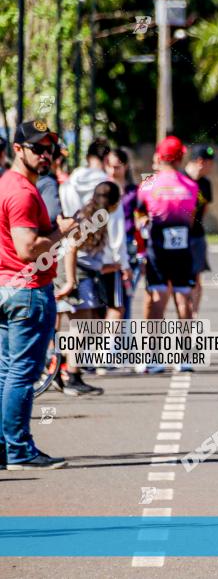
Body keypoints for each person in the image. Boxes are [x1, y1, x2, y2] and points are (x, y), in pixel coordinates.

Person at [0, 120, 79, 470]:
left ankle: (6, 447)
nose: (46, 155)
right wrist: (60, 232)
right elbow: (29, 247)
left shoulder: (6, 184)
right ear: (18, 149)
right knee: (21, 374)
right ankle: (19, 450)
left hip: (8, 288)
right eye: (37, 148)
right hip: (27, 290)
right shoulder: (21, 192)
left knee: (6, 373)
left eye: (50, 149)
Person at [137, 136, 199, 373]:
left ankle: (153, 358)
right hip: (182, 250)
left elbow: (140, 216)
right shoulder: (191, 185)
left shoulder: (149, 185)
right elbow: (192, 218)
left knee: (156, 301)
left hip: (157, 250)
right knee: (183, 299)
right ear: (181, 157)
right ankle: (185, 357)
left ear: (159, 157)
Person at [55, 182, 122, 394]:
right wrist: (70, 281)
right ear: (114, 203)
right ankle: (71, 376)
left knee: (86, 326)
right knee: (82, 327)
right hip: (74, 272)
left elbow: (90, 256)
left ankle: (59, 367)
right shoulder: (92, 220)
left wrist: (109, 266)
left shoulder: (93, 216)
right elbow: (71, 247)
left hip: (81, 272)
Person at [61, 140, 130, 325]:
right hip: (103, 260)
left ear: (87, 157)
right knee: (114, 308)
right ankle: (105, 352)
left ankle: (59, 351)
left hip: (74, 258)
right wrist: (122, 262)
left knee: (83, 320)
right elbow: (116, 228)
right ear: (107, 158)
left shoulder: (69, 183)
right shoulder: (108, 186)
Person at [105, 148, 142, 319]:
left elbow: (141, 214)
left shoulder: (134, 191)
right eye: (110, 166)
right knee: (109, 297)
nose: (113, 171)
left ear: (125, 167)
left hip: (128, 244)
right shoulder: (102, 189)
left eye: (117, 167)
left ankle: (124, 336)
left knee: (126, 293)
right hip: (106, 246)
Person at [184, 145, 215, 317]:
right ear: (200, 162)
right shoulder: (181, 179)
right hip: (180, 237)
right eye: (210, 163)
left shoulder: (205, 184)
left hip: (197, 237)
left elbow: (204, 209)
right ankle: (183, 314)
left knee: (196, 279)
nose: (212, 167)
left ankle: (193, 316)